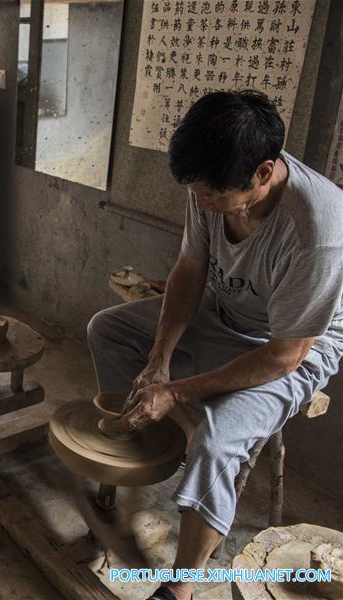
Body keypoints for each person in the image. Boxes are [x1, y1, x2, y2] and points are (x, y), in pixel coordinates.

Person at [86, 90, 342, 600]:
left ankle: (178, 588)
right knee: (107, 329)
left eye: (211, 196)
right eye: (195, 192)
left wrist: (178, 392)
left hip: (292, 347)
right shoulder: (210, 180)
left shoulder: (318, 230)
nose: (200, 204)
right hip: (222, 313)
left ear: (264, 173)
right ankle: (152, 446)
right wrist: (159, 365)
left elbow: (283, 355)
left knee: (217, 439)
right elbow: (189, 269)